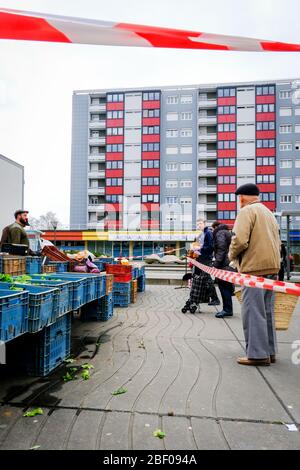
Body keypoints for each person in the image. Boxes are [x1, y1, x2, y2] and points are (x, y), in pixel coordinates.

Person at [229, 184, 281, 367]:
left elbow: (239, 240)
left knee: (253, 311)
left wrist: (231, 255)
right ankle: (270, 352)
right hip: (272, 268)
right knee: (267, 311)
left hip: (254, 269)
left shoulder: (247, 211)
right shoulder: (268, 212)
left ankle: (257, 355)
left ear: (242, 197)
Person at [211, 221, 234, 318]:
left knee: (223, 286)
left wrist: (215, 264)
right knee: (227, 287)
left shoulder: (220, 233)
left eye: (212, 229)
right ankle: (228, 309)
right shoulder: (226, 232)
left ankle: (227, 310)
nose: (212, 231)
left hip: (224, 265)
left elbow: (221, 249)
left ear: (216, 227)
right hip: (228, 264)